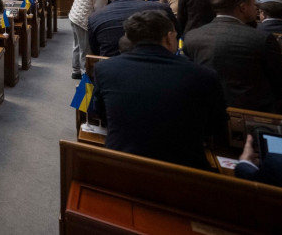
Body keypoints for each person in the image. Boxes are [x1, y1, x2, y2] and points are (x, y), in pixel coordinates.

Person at [93, 10, 226, 170]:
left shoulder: (105, 69)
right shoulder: (204, 75)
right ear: (169, 37)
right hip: (184, 172)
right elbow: (216, 126)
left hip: (120, 165)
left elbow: (100, 112)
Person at [183, 0, 282, 113]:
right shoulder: (261, 38)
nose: (256, 9)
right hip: (255, 110)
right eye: (253, 5)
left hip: (210, 108)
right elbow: (281, 80)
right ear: (243, 7)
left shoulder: (192, 36)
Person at [87, 0, 177, 58]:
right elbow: (176, 33)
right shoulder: (160, 7)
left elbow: (94, 48)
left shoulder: (94, 16)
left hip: (111, 67)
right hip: (157, 62)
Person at [68, 0, 117, 79]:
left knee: (77, 46)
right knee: (86, 49)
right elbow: (99, 12)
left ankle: (76, 70)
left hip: (74, 16)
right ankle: (86, 74)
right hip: (83, 21)